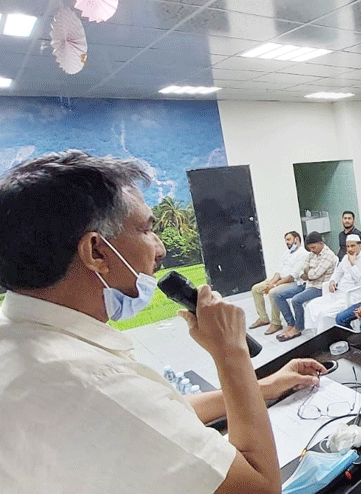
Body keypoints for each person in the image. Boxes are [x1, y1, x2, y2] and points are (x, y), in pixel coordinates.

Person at [0, 150, 327, 492]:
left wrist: (263, 388)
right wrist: (230, 352)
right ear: (96, 251)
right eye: (146, 230)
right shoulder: (96, 385)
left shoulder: (19, 337)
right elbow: (261, 487)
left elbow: (160, 414)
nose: (160, 249)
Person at [274, 232, 338, 341]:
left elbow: (314, 275)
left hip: (319, 288)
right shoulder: (311, 254)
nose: (311, 250)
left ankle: (298, 328)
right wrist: (308, 273)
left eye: (313, 247)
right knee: (278, 295)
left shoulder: (329, 256)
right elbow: (301, 272)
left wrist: (307, 273)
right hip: (306, 284)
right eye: (310, 248)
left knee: (296, 300)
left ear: (321, 243)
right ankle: (291, 324)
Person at [303, 235, 361, 332]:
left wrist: (352, 264)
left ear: (360, 246)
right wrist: (333, 281)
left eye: (352, 246)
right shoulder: (345, 258)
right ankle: (317, 333)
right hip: (338, 292)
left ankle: (328, 335)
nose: (350, 249)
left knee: (325, 314)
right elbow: (337, 273)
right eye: (348, 246)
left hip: (353, 296)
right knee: (312, 306)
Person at [249, 231, 308, 335]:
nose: (286, 242)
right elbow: (278, 271)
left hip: (292, 282)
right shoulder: (287, 253)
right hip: (280, 279)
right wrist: (271, 283)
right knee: (256, 289)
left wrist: (275, 285)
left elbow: (292, 276)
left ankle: (276, 323)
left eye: (289, 239)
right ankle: (263, 318)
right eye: (285, 240)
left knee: (273, 292)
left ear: (297, 239)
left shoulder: (303, 254)